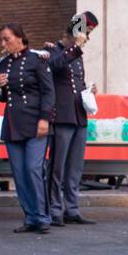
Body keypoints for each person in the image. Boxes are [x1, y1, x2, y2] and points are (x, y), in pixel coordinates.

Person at [0, 23, 55, 234]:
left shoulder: (36, 60)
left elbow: (48, 92)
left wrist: (45, 119)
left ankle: (42, 217)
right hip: (12, 124)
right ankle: (30, 217)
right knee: (19, 174)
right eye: (2, 39)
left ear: (20, 38)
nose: (3, 43)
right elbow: (3, 98)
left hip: (36, 124)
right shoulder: (2, 64)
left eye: (6, 39)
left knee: (33, 169)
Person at [40, 12, 99, 226]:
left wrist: (89, 91)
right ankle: (54, 209)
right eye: (86, 32)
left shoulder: (77, 54)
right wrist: (76, 47)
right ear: (75, 30)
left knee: (75, 168)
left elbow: (75, 83)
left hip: (79, 116)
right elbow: (55, 66)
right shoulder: (50, 51)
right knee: (57, 167)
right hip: (62, 116)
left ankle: (71, 208)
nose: (88, 37)